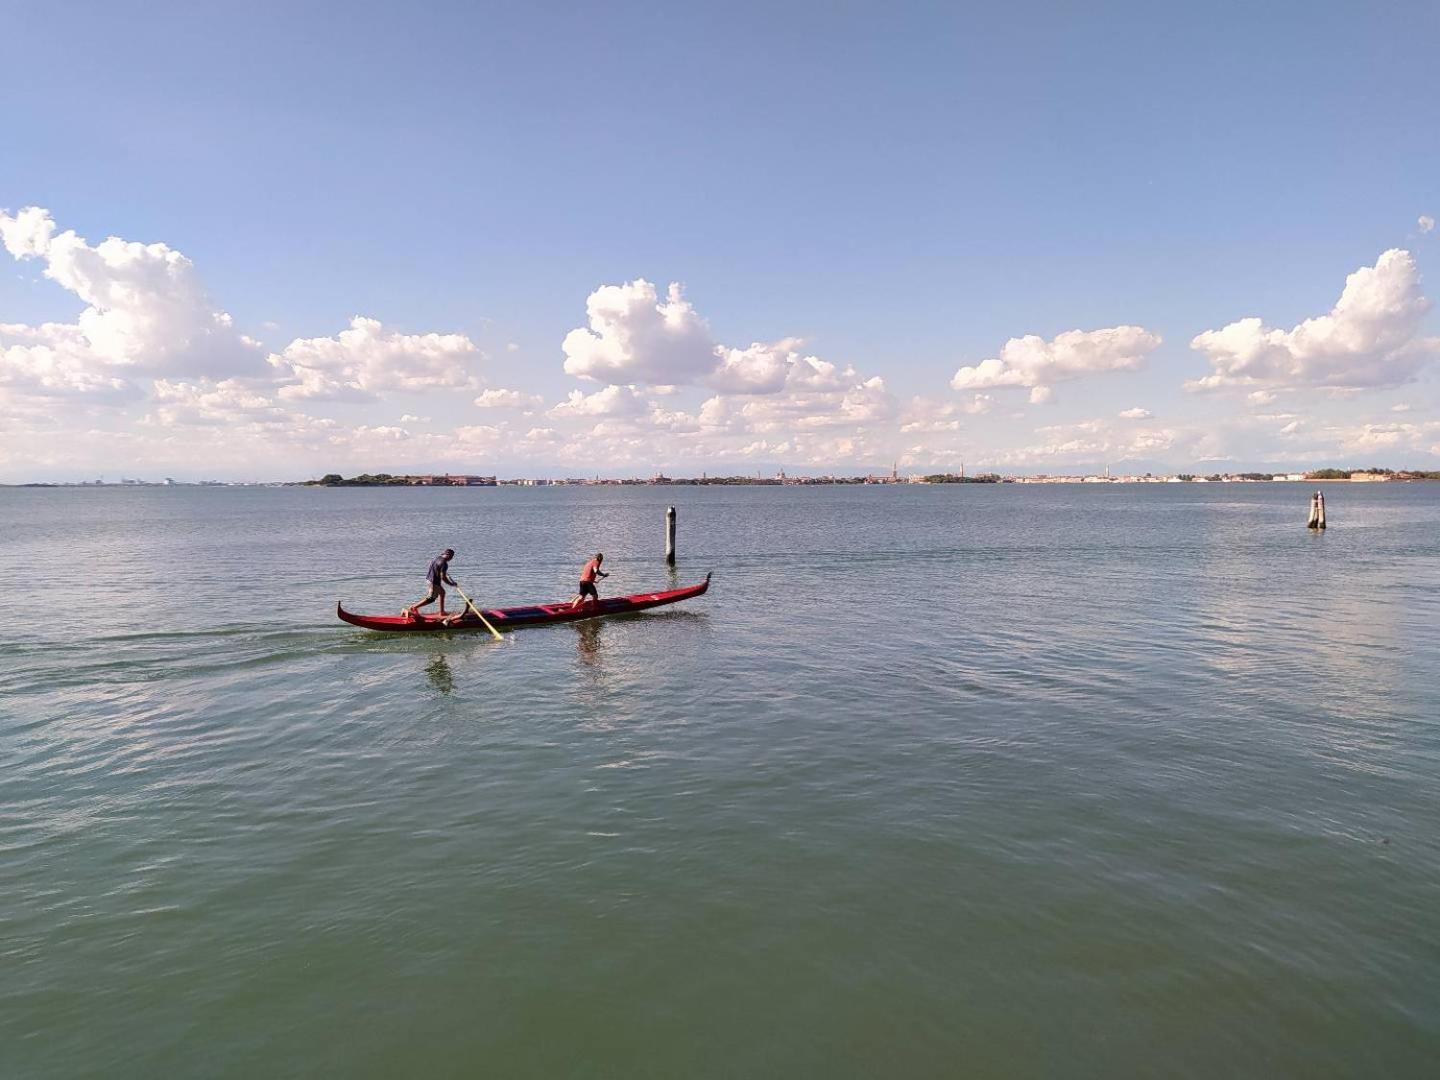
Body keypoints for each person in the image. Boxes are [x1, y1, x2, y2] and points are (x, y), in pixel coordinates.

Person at [406, 548, 458, 619]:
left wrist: (440, 571)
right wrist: (451, 584)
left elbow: (433, 565)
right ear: (449, 556)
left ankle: (441, 612)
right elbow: (443, 577)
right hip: (434, 582)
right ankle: (413, 607)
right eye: (452, 557)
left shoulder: (437, 558)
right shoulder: (444, 563)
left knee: (442, 593)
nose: (451, 559)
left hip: (428, 579)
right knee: (431, 599)